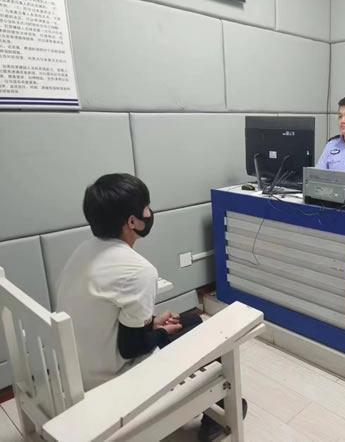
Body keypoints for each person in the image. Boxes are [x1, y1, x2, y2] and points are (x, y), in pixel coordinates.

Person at [56, 173, 240, 441]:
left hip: (79, 367)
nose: (150, 212)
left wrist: (152, 323)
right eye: (146, 207)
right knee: (203, 330)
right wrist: (162, 333)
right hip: (110, 379)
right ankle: (220, 411)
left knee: (189, 321)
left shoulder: (82, 251)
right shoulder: (139, 271)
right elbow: (130, 348)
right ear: (132, 221)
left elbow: (104, 314)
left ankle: (217, 408)